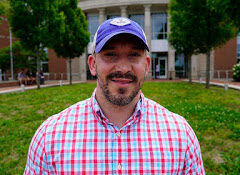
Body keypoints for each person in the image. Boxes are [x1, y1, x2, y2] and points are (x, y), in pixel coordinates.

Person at [24, 17, 205, 174]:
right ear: (92, 64)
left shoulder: (181, 136)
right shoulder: (49, 137)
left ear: (147, 65)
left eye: (134, 55)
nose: (123, 68)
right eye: (110, 55)